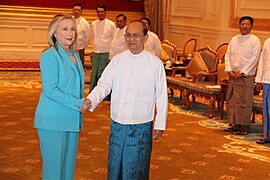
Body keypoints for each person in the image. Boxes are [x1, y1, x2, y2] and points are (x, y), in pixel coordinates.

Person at [83, 20, 168, 179]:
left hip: (141, 125)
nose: (131, 39)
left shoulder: (155, 64)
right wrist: (91, 100)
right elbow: (104, 84)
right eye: (128, 35)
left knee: (136, 168)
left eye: (136, 35)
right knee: (115, 165)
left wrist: (160, 123)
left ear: (145, 38)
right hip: (118, 123)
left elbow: (162, 96)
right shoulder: (117, 60)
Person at [34, 15, 87, 179]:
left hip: (71, 119)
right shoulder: (49, 55)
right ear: (54, 33)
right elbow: (51, 90)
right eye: (65, 29)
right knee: (53, 172)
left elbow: (75, 86)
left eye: (72, 29)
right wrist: (78, 103)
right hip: (52, 120)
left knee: (67, 170)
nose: (70, 33)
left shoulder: (75, 55)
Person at [224, 16, 261, 135]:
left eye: (247, 24)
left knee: (244, 102)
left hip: (245, 76)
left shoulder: (255, 40)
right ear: (239, 25)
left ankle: (244, 126)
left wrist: (243, 72)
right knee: (232, 101)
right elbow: (228, 55)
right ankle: (234, 124)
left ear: (251, 26)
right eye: (242, 24)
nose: (244, 26)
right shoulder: (234, 39)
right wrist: (229, 70)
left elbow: (254, 58)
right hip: (233, 76)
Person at [89, 4, 115, 92]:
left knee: (102, 73)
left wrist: (111, 54)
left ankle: (103, 92)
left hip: (106, 51)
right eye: (98, 12)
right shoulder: (93, 24)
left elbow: (113, 39)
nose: (100, 13)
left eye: (102, 12)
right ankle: (92, 91)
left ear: (105, 12)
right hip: (95, 51)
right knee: (94, 73)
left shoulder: (111, 24)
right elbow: (93, 37)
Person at [255, 38, 270, 144]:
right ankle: (267, 135)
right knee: (267, 111)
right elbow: (262, 61)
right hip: (267, 80)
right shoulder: (268, 41)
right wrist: (259, 80)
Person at [72, 2, 90, 68]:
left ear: (81, 11)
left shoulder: (84, 23)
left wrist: (83, 46)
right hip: (69, 47)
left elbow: (88, 37)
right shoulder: (69, 20)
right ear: (72, 10)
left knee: (79, 66)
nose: (76, 11)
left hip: (80, 48)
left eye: (78, 10)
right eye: (75, 9)